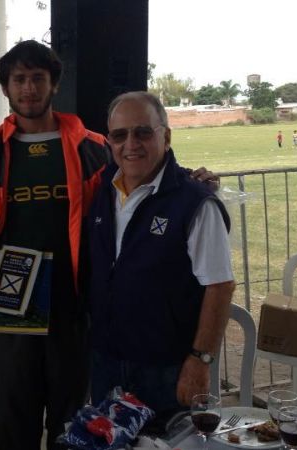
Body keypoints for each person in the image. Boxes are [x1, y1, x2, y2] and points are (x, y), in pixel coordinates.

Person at [0, 41, 218, 450]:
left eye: (38, 78)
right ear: (5, 88)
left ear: (54, 84)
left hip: (75, 308)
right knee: (12, 421)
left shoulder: (93, 147)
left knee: (73, 425)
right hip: (10, 306)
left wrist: (189, 178)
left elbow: (143, 167)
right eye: (19, 79)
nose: (28, 88)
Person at [87, 91, 236, 428]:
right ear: (109, 141)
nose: (131, 144)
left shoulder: (195, 202)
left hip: (166, 369)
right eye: (120, 135)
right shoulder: (102, 189)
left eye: (143, 132)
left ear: (165, 137)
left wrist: (200, 360)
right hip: (107, 362)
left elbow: (220, 286)